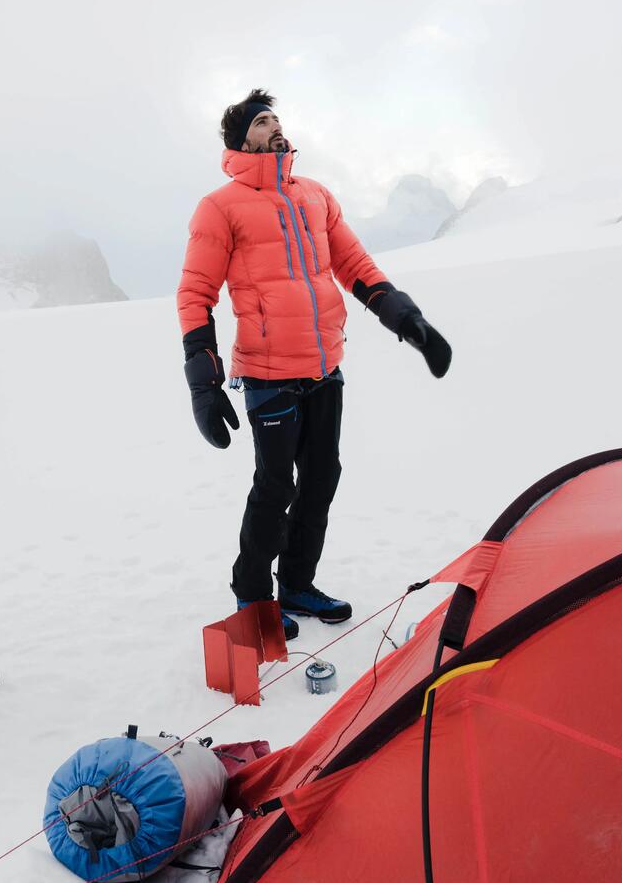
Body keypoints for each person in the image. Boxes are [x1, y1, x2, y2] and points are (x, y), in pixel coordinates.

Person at [177, 90, 452, 640]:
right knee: (275, 486)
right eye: (261, 120)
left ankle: (297, 583)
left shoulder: (316, 196)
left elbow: (354, 264)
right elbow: (195, 291)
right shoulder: (220, 206)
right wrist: (203, 384)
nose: (274, 126)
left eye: (276, 117)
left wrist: (408, 320)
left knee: (322, 478)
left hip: (326, 365)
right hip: (267, 370)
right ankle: (253, 599)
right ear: (241, 140)